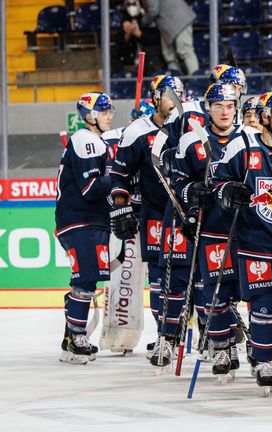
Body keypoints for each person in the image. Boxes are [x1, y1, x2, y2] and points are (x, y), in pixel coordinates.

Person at [211, 91, 272, 395]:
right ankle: (264, 360)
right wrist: (228, 191)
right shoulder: (244, 144)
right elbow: (218, 180)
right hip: (256, 242)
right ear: (264, 117)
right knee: (264, 303)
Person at [109, 75, 184, 363]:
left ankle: (210, 335)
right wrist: (120, 206)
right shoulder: (137, 131)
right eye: (169, 95)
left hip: (188, 212)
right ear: (155, 98)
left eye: (179, 95)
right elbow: (119, 174)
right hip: (155, 215)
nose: (175, 101)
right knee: (160, 280)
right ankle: (165, 335)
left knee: (194, 278)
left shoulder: (189, 126)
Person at [173, 83, 242, 381]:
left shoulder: (247, 137)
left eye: (229, 105)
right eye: (218, 106)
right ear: (207, 109)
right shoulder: (192, 140)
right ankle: (222, 347)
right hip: (212, 226)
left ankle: (245, 341)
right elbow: (178, 182)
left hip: (246, 228)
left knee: (248, 292)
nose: (225, 111)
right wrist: (192, 192)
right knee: (215, 293)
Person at [56, 92, 115, 364]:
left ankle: (71, 337)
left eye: (109, 111)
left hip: (88, 220)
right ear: (89, 116)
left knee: (87, 277)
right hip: (81, 219)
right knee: (86, 277)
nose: (109, 116)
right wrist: (117, 172)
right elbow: (91, 189)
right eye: (103, 112)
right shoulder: (86, 140)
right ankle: (77, 335)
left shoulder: (95, 141)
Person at [143, 0, 199, 75]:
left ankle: (196, 81)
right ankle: (175, 81)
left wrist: (142, 21)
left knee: (186, 52)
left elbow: (154, 11)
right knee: (169, 56)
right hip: (166, 24)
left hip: (179, 19)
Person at [111, 0, 164, 74]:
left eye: (134, 4)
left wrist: (139, 34)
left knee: (152, 50)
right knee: (113, 50)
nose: (131, 7)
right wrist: (127, 34)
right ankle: (121, 78)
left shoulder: (147, 19)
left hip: (147, 58)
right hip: (130, 57)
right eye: (129, 4)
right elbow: (119, 42)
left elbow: (155, 38)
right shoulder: (124, 20)